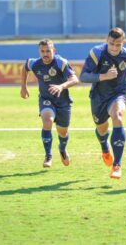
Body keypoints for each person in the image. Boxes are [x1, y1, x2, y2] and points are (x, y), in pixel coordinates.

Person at [80, 27, 126, 179]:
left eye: (118, 44)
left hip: (118, 94)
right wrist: (104, 76)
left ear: (123, 43)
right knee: (102, 129)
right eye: (112, 44)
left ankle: (117, 165)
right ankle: (105, 148)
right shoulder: (97, 53)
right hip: (98, 97)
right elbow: (84, 76)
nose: (114, 48)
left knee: (118, 116)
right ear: (106, 40)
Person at [20, 39, 79, 168]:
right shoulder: (35, 63)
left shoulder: (61, 63)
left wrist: (61, 86)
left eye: (48, 51)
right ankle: (48, 156)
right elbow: (25, 68)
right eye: (42, 51)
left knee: (62, 132)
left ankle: (62, 149)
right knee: (47, 121)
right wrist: (23, 87)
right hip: (46, 99)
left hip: (63, 101)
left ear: (54, 51)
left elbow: (75, 79)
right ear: (39, 52)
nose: (45, 54)